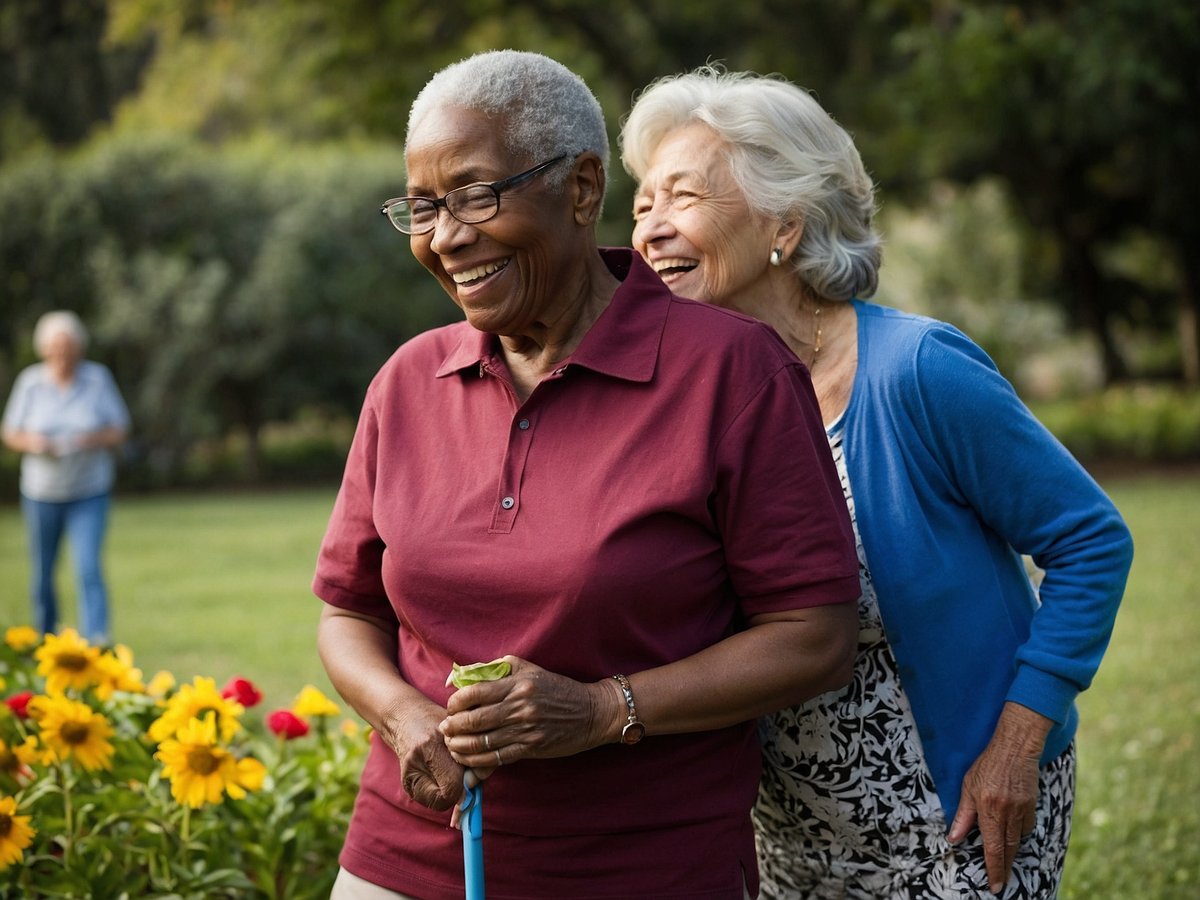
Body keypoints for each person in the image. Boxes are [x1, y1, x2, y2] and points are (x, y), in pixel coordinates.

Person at [312, 50, 862, 900]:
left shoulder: (733, 373)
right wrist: (402, 715)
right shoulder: (407, 381)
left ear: (579, 187)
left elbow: (815, 636)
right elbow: (348, 612)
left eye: (475, 195)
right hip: (404, 858)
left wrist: (604, 711)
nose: (445, 236)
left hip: (642, 864)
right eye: (422, 208)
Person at [621, 67, 1134, 900]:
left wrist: (1018, 742)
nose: (649, 231)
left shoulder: (916, 370)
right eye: (642, 205)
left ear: (785, 221)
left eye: (681, 198)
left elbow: (1090, 540)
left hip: (958, 811)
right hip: (789, 832)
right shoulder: (696, 402)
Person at [2, 310, 130, 644]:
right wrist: (35, 443)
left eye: (68, 347)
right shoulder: (31, 382)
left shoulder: (97, 379)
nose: (62, 354)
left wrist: (88, 440)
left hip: (89, 489)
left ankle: (97, 641)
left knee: (88, 567)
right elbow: (10, 432)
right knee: (43, 572)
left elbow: (119, 429)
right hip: (42, 492)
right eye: (56, 347)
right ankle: (47, 641)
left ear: (79, 348)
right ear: (43, 349)